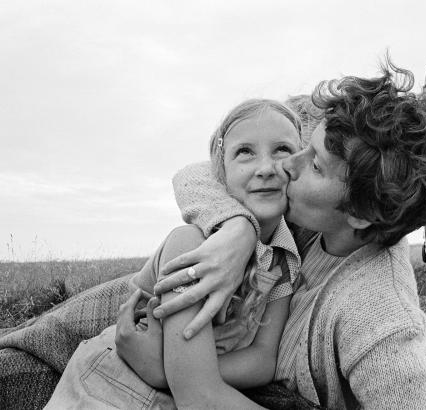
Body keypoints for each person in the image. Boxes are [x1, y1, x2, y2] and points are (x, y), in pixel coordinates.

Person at [118, 61, 426, 409]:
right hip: (164, 323)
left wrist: (174, 372)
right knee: (63, 329)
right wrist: (237, 226)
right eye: (304, 148)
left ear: (360, 214)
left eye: (315, 165)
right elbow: (199, 174)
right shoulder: (315, 219)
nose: (285, 166)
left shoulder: (381, 323)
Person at [45, 99, 304, 409]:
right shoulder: (190, 244)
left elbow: (263, 358)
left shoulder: (283, 261)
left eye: (282, 150)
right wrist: (187, 375)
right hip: (113, 383)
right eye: (245, 152)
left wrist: (175, 370)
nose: (265, 168)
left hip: (179, 388)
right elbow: (197, 396)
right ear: (220, 173)